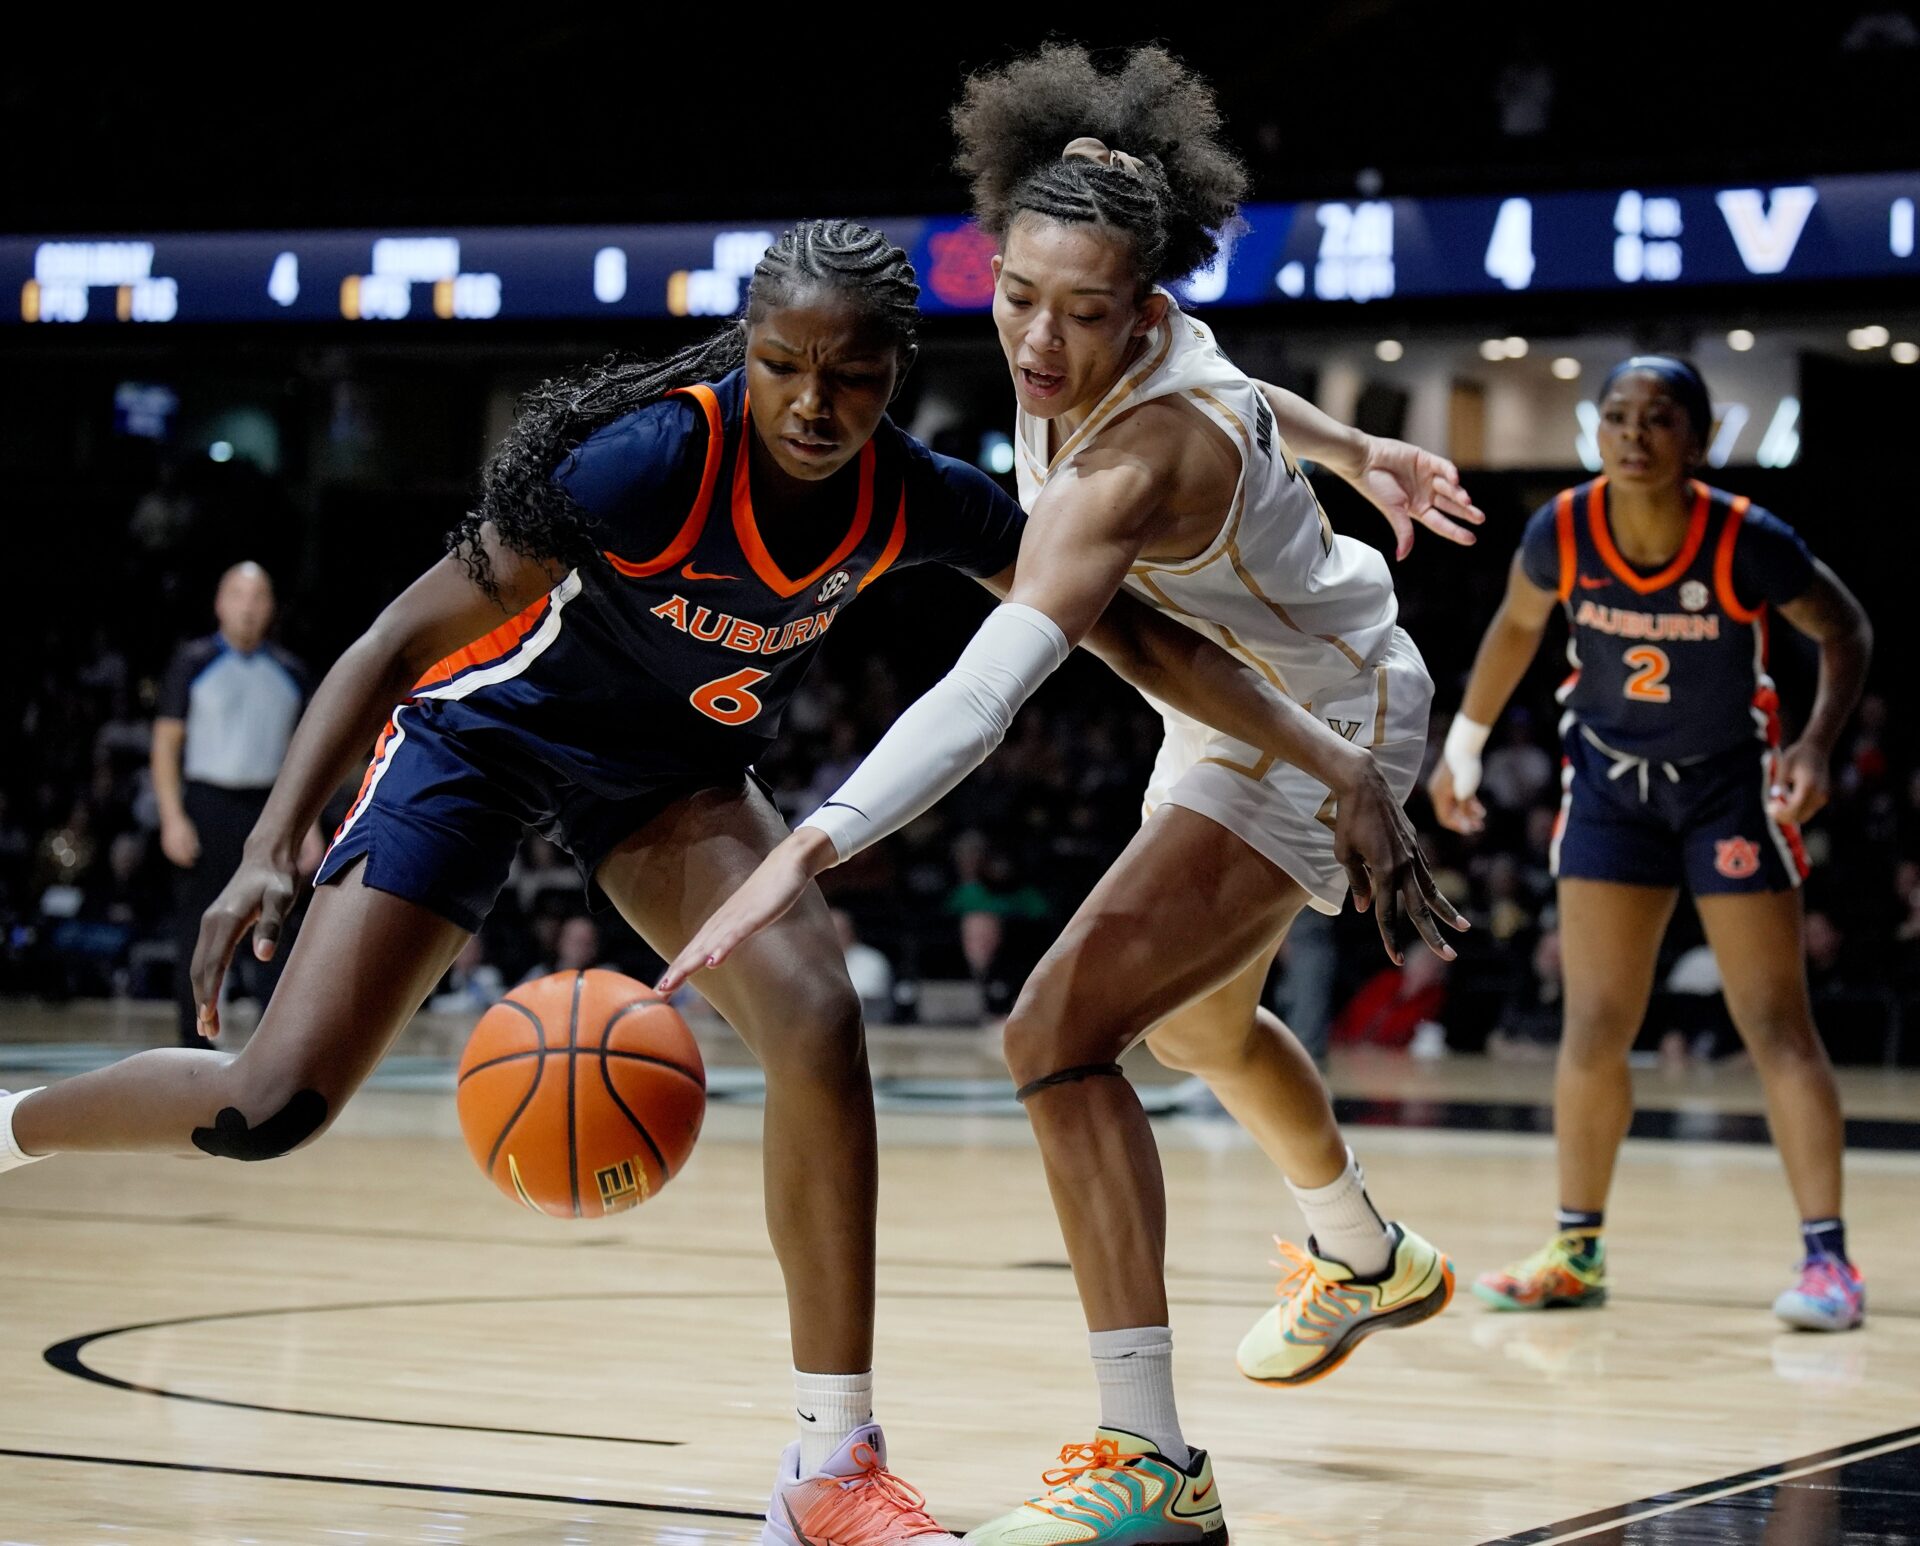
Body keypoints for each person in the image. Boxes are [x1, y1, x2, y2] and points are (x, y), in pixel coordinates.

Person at [0, 217, 1448, 1546]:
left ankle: (830, 1467)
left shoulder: (909, 496)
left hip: (669, 779)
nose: (815, 406)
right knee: (270, 1106)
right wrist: (269, 842)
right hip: (482, 743)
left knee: (818, 1019)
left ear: (896, 375)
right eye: (783, 367)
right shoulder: (645, 462)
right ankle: (14, 1126)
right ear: (743, 356)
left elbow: (1142, 638)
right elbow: (392, 638)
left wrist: (1332, 755)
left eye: (852, 377)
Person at [661, 46, 1479, 1545]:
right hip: (1237, 691)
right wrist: (1357, 446)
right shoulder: (1147, 337)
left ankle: (1151, 1463)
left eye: (1084, 313)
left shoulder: (1132, 461)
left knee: (1055, 1029)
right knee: (1199, 1023)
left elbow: (988, 689)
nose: (1039, 338)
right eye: (1017, 292)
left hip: (1320, 714)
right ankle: (1364, 1251)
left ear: (1141, 309)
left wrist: (814, 846)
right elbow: (1247, 386)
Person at [1429, 354, 1873, 1333]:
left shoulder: (1745, 537)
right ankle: (1575, 1249)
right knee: (1593, 1025)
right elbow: (1512, 629)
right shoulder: (1564, 528)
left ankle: (1829, 1261)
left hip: (1730, 790)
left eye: (1659, 417)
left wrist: (1814, 742)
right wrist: (1459, 748)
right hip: (1614, 792)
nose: (1633, 434)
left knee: (1774, 1023)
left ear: (1700, 439)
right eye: (1618, 415)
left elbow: (1845, 629)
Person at [151, 562, 318, 1046]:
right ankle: (194, 1038)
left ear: (270, 607)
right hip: (206, 805)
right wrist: (172, 816)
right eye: (238, 596)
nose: (248, 608)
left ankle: (274, 1040)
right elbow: (165, 744)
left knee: (274, 921)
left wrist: (307, 826)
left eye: (258, 597)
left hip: (269, 807)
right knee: (197, 924)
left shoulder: (289, 671)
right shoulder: (193, 662)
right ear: (220, 603)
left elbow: (303, 756)